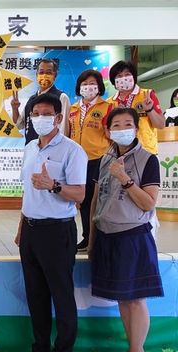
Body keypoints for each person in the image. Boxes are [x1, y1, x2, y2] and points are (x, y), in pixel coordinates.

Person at [13, 93, 87, 352]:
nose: (40, 118)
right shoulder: (30, 147)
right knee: (36, 296)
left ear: (58, 118)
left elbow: (79, 194)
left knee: (62, 297)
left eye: (46, 113)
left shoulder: (73, 151)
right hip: (30, 231)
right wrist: (22, 226)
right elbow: (27, 192)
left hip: (57, 232)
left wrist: (53, 184)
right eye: (35, 114)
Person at [88, 107, 163, 352]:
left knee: (135, 299)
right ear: (108, 130)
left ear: (136, 127)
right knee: (122, 298)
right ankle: (133, 350)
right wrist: (92, 240)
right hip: (107, 235)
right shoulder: (105, 158)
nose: (121, 128)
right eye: (116, 124)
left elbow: (149, 203)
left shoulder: (147, 159)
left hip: (132, 236)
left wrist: (125, 179)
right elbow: (96, 200)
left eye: (127, 123)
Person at [68, 69, 112, 251]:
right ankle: (87, 237)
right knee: (83, 201)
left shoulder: (107, 107)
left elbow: (111, 134)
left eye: (92, 83)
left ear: (99, 86)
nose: (88, 87)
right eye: (84, 84)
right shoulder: (73, 109)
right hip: (78, 160)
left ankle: (100, 237)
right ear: (79, 87)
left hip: (99, 159)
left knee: (100, 200)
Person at [107, 61, 165, 155]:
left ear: (133, 77)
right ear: (114, 81)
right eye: (119, 76)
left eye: (127, 74)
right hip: (119, 153)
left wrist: (149, 110)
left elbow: (161, 125)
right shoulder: (109, 102)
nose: (123, 78)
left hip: (146, 152)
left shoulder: (147, 95)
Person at [11, 59, 70, 144]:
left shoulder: (61, 97)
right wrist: (15, 109)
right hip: (31, 147)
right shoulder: (32, 99)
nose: (44, 75)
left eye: (49, 73)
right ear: (36, 75)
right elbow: (19, 125)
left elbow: (63, 128)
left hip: (51, 149)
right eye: (41, 72)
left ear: (55, 75)